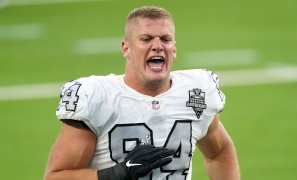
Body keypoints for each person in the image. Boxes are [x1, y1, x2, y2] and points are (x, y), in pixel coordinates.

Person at [44, 6, 240, 180]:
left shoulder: (195, 92)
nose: (157, 45)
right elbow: (56, 176)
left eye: (165, 39)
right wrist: (118, 173)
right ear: (126, 48)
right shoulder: (97, 97)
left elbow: (219, 152)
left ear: (174, 49)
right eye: (146, 39)